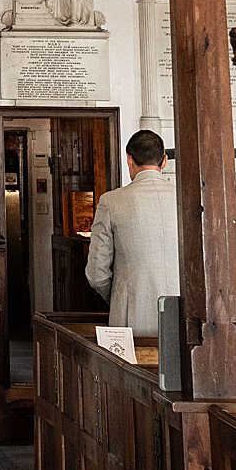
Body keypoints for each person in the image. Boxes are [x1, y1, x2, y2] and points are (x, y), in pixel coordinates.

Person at [86, 129, 179, 337]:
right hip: (181, 312)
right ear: (164, 161)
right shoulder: (185, 198)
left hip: (131, 312)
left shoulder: (112, 201)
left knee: (129, 368)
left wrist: (119, 294)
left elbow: (96, 272)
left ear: (129, 159)